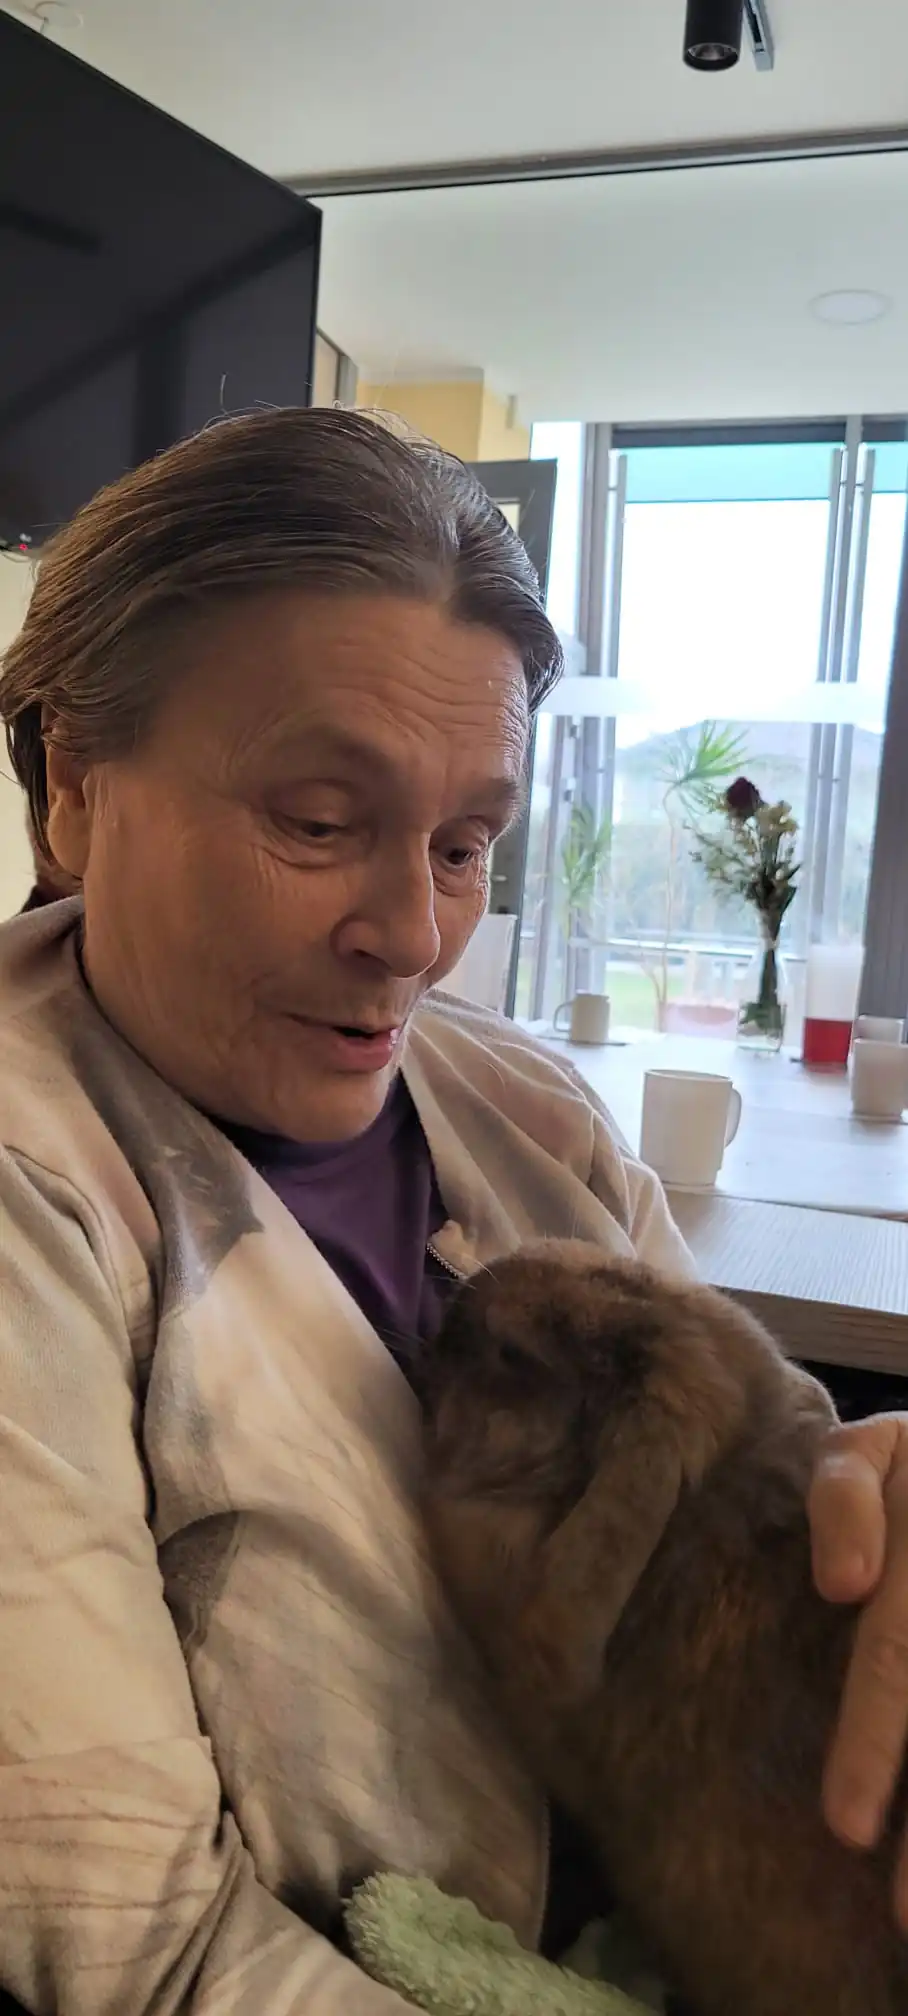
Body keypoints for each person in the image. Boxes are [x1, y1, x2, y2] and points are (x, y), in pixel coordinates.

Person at [0, 407, 905, 2016]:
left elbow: (762, 1493)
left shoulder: (531, 1118)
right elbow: (136, 1940)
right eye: (318, 821)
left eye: (468, 843)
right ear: (74, 788)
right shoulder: (34, 1202)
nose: (416, 936)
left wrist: (864, 1526)